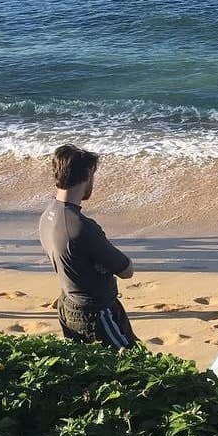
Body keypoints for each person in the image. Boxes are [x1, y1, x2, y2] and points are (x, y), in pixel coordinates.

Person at [38, 144, 138, 349]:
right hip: (95, 313)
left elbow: (69, 257)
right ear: (86, 176)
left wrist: (94, 264)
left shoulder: (47, 215)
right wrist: (102, 265)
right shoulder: (82, 226)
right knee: (133, 364)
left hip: (67, 304)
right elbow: (126, 269)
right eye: (93, 175)